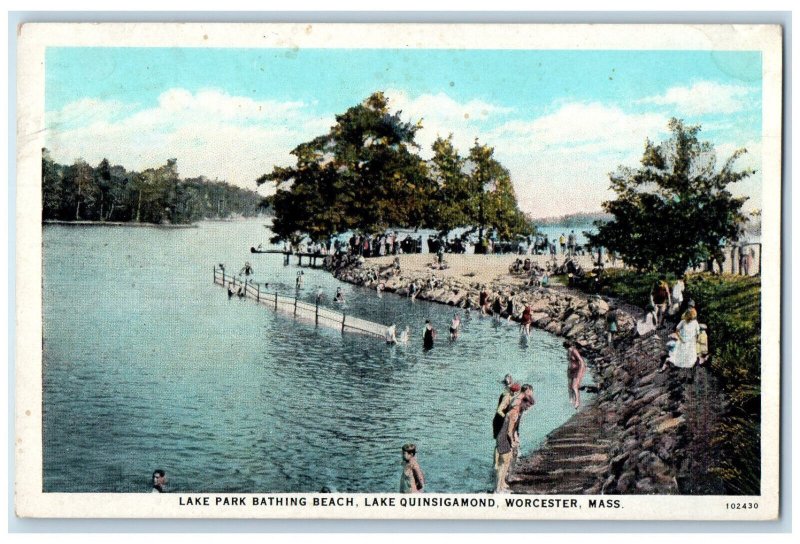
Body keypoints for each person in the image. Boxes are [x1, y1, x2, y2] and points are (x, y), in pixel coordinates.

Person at [494, 384, 534, 493]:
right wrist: (512, 440)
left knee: (505, 462)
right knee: (503, 463)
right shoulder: (515, 411)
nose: (527, 409)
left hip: (504, 435)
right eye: (528, 406)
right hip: (503, 437)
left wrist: (513, 437)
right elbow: (509, 430)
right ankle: (498, 488)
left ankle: (501, 486)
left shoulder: (517, 409)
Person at [565, 341, 587, 409]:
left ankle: (577, 402)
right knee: (569, 386)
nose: (569, 348)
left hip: (577, 370)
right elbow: (570, 361)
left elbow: (581, 361)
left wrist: (580, 372)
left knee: (574, 386)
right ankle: (571, 401)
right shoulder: (568, 351)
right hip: (570, 370)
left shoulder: (574, 351)